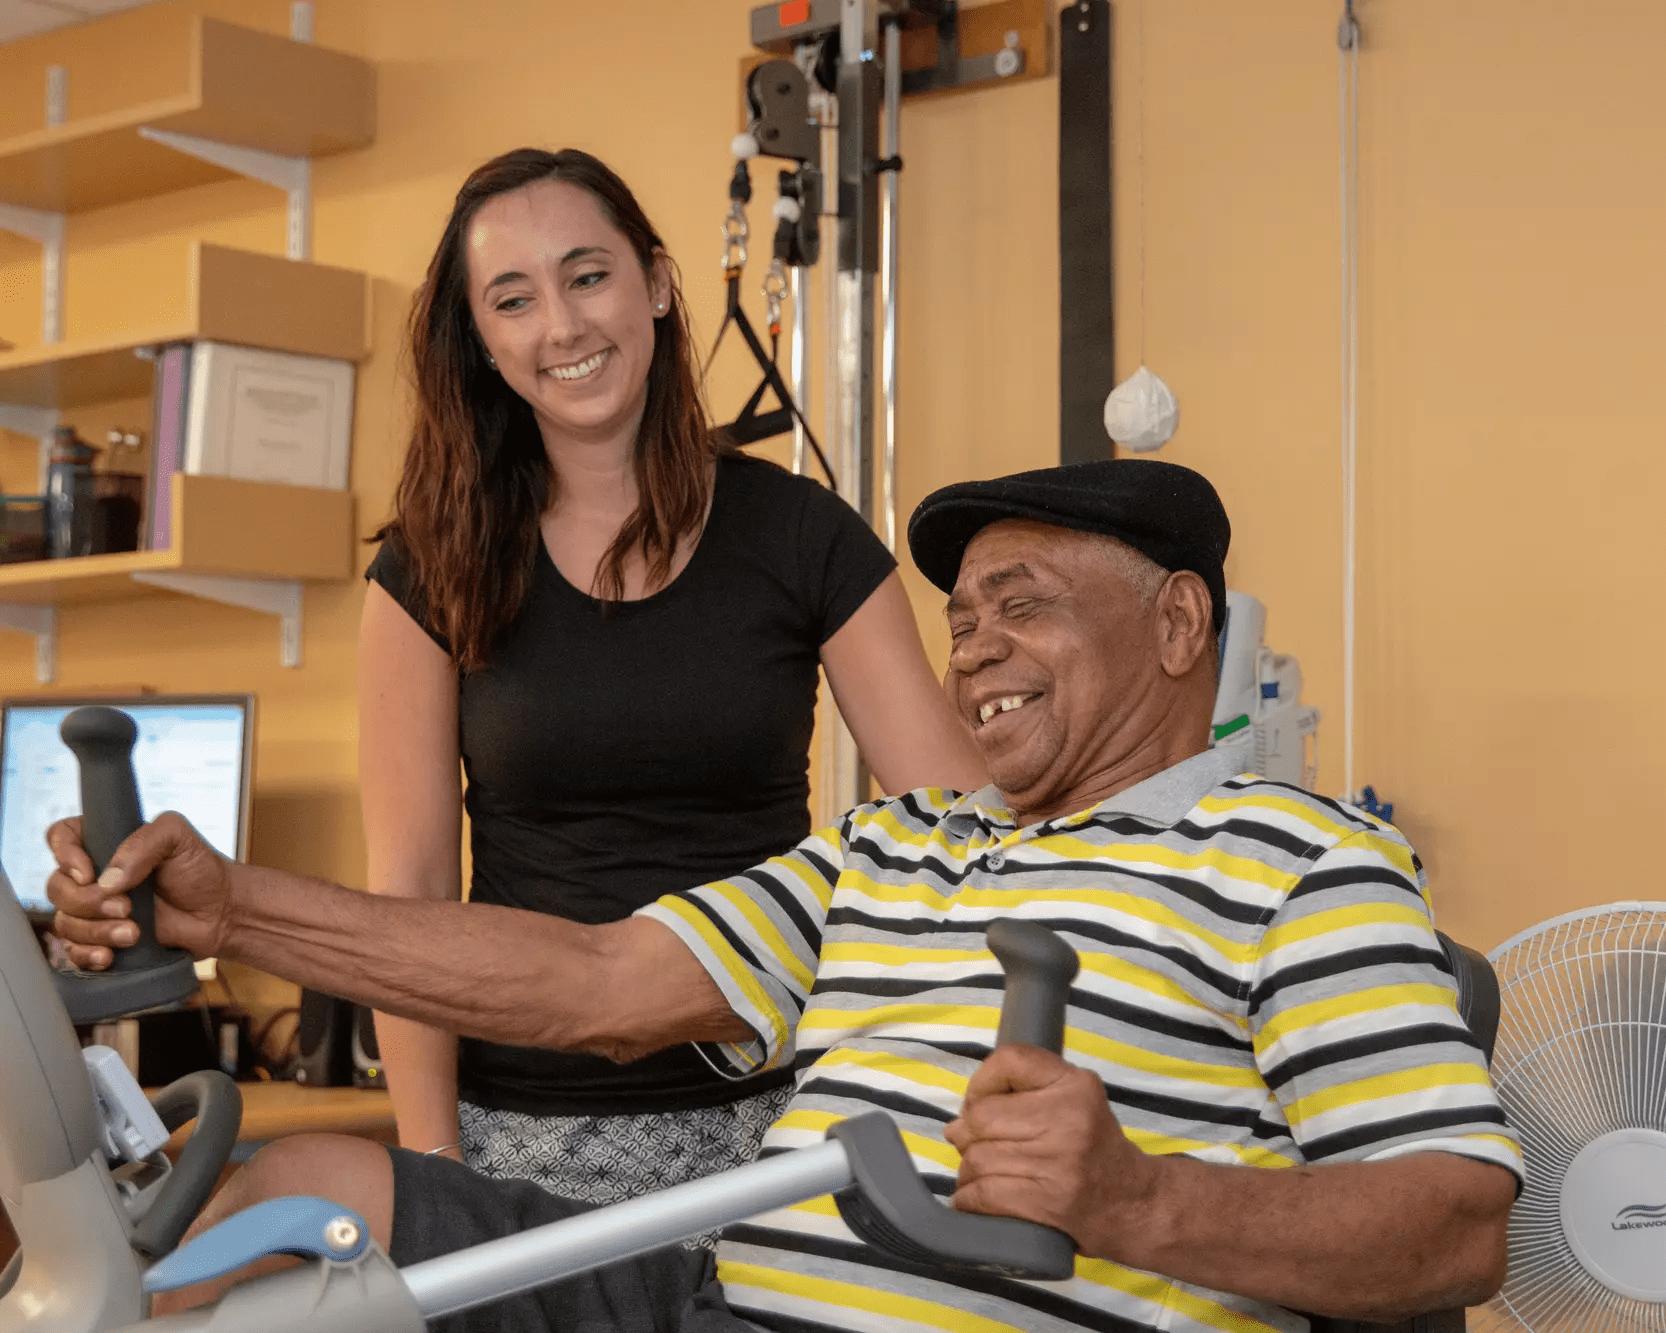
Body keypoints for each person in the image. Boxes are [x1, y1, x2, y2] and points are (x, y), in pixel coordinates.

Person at [49, 459, 1521, 1332]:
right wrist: (231, 908)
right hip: (716, 1308)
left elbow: (1457, 1227)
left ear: (1180, 622)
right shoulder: (900, 842)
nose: (976, 652)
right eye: (961, 620)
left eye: (1026, 605)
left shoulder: (1300, 860)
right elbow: (591, 983)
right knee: (309, 1190)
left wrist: (1134, 1198)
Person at [356, 146, 987, 1200]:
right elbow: (411, 891)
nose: (561, 325)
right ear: (484, 344)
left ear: (652, 283)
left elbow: (953, 828)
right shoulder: (427, 568)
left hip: (781, 1124)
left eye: (587, 275)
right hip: (521, 1137)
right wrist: (435, 1167)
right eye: (514, 299)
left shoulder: (803, 534)